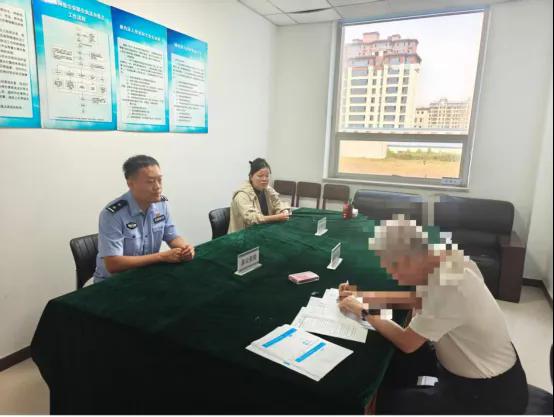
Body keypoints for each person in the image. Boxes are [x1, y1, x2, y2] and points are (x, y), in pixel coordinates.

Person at [337, 216, 528, 414]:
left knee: (384, 403)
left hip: (489, 396)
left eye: (393, 269)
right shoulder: (444, 259)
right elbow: (415, 300)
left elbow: (407, 341)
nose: (393, 276)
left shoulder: (450, 286)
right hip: (472, 370)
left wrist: (363, 310)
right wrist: (362, 296)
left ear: (409, 260)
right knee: (392, 363)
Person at [93, 155, 194, 283]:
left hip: (146, 275)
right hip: (113, 282)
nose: (158, 187)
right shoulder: (113, 214)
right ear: (131, 184)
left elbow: (172, 236)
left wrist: (185, 249)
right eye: (150, 182)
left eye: (160, 180)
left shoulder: (162, 204)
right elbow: (113, 264)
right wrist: (161, 257)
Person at [227, 158, 290, 233]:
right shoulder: (242, 194)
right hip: (242, 235)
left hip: (262, 230)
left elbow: (278, 203)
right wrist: (276, 217)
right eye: (260, 176)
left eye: (267, 176)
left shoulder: (267, 189)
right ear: (251, 177)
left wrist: (284, 211)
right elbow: (251, 218)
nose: (264, 179)